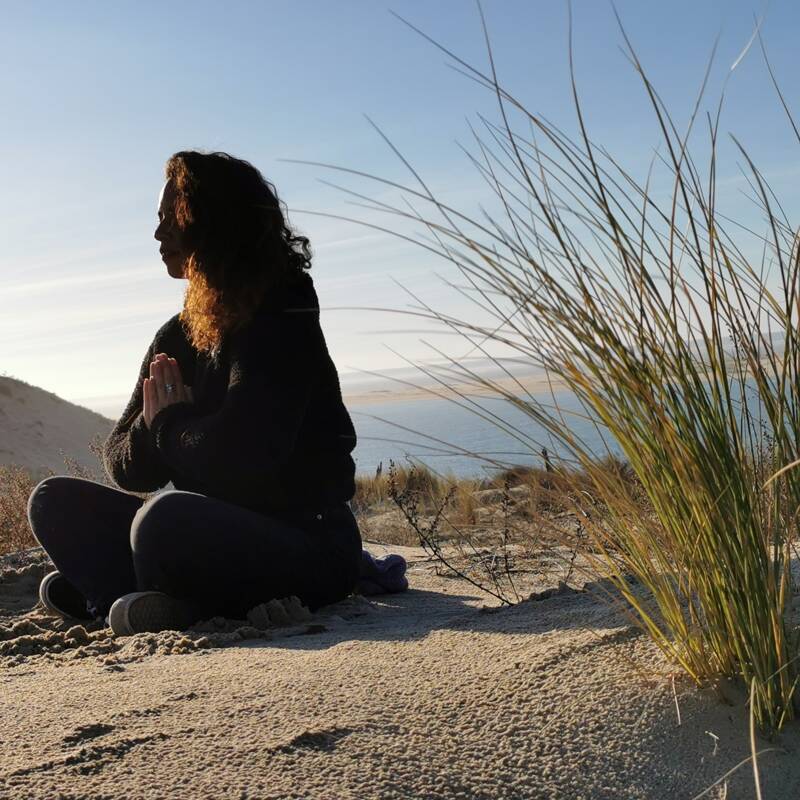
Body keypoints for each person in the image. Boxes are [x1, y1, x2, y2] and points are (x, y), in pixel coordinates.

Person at [26, 150, 363, 636]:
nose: (158, 234)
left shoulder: (283, 310)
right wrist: (153, 424)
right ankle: (136, 599)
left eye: (170, 219)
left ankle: (127, 591)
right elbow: (125, 465)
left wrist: (168, 425)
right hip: (215, 533)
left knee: (164, 521)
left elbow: (246, 455)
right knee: (53, 500)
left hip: (307, 541)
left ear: (213, 222)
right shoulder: (177, 335)